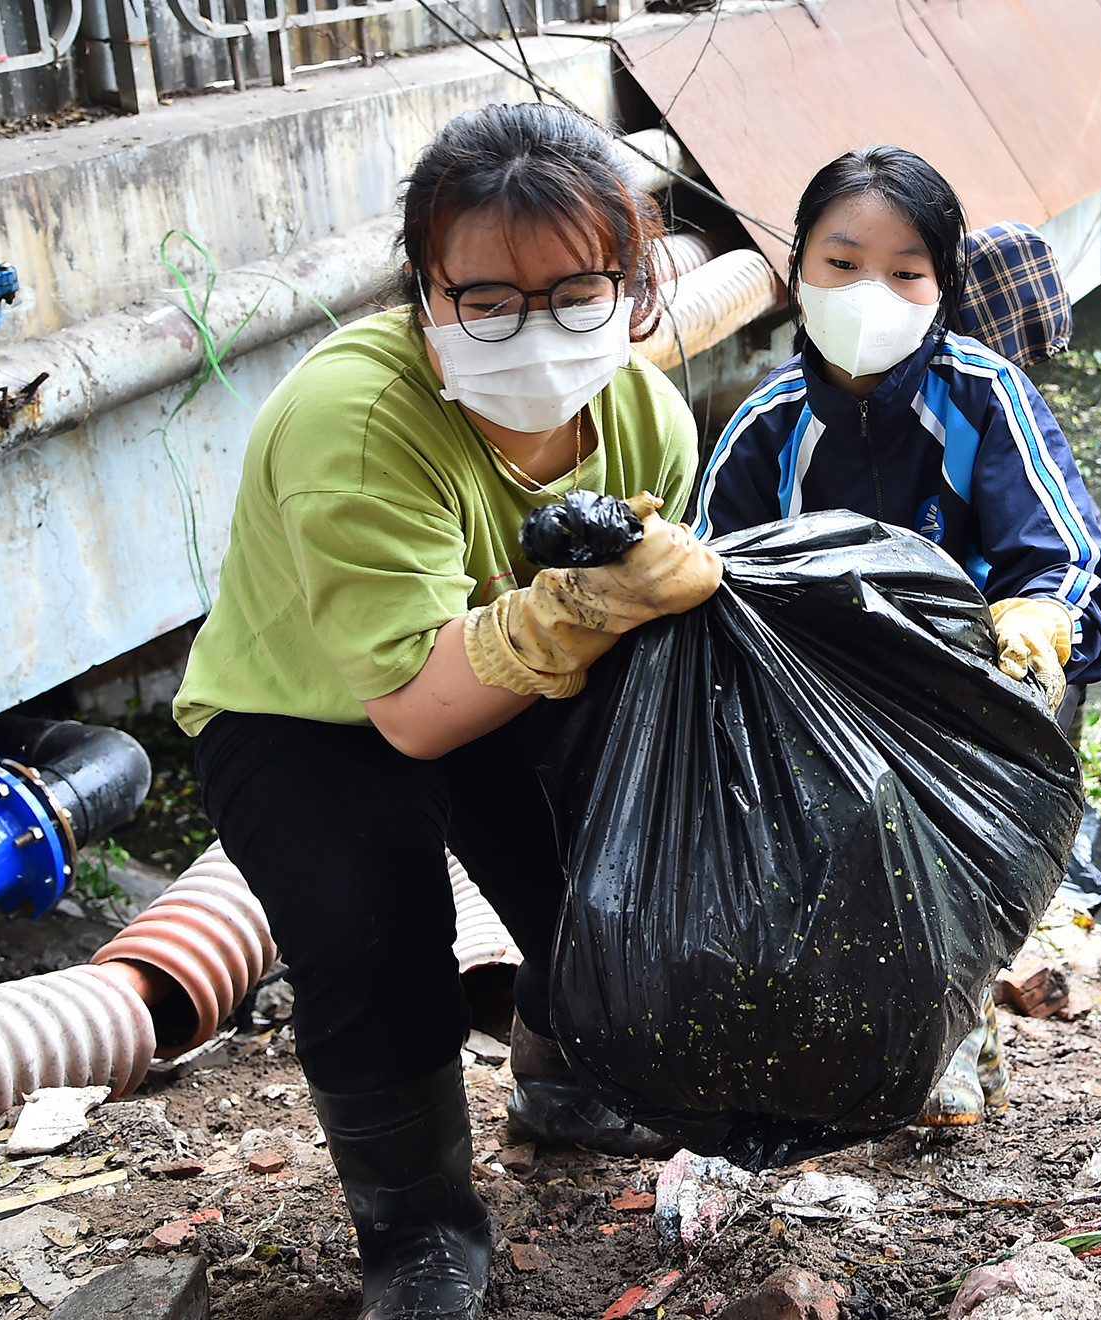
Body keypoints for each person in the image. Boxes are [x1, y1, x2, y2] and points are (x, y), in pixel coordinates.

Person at [170, 104, 723, 1320]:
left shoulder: (647, 414)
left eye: (578, 292)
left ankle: (562, 1080)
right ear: (425, 294)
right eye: (485, 298)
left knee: (612, 890)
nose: (533, 328)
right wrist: (576, 605)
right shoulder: (354, 419)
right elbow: (416, 713)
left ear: (634, 289)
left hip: (512, 689)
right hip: (310, 717)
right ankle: (417, 1232)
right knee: (376, 939)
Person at [691, 146, 1101, 1124]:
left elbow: (1064, 552)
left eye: (905, 270)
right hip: (824, 693)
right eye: (842, 264)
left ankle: (959, 1022)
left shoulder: (985, 396)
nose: (869, 293)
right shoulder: (764, 427)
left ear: (944, 283)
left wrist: (1042, 614)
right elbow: (707, 576)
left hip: (972, 686)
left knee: (962, 850)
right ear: (799, 271)